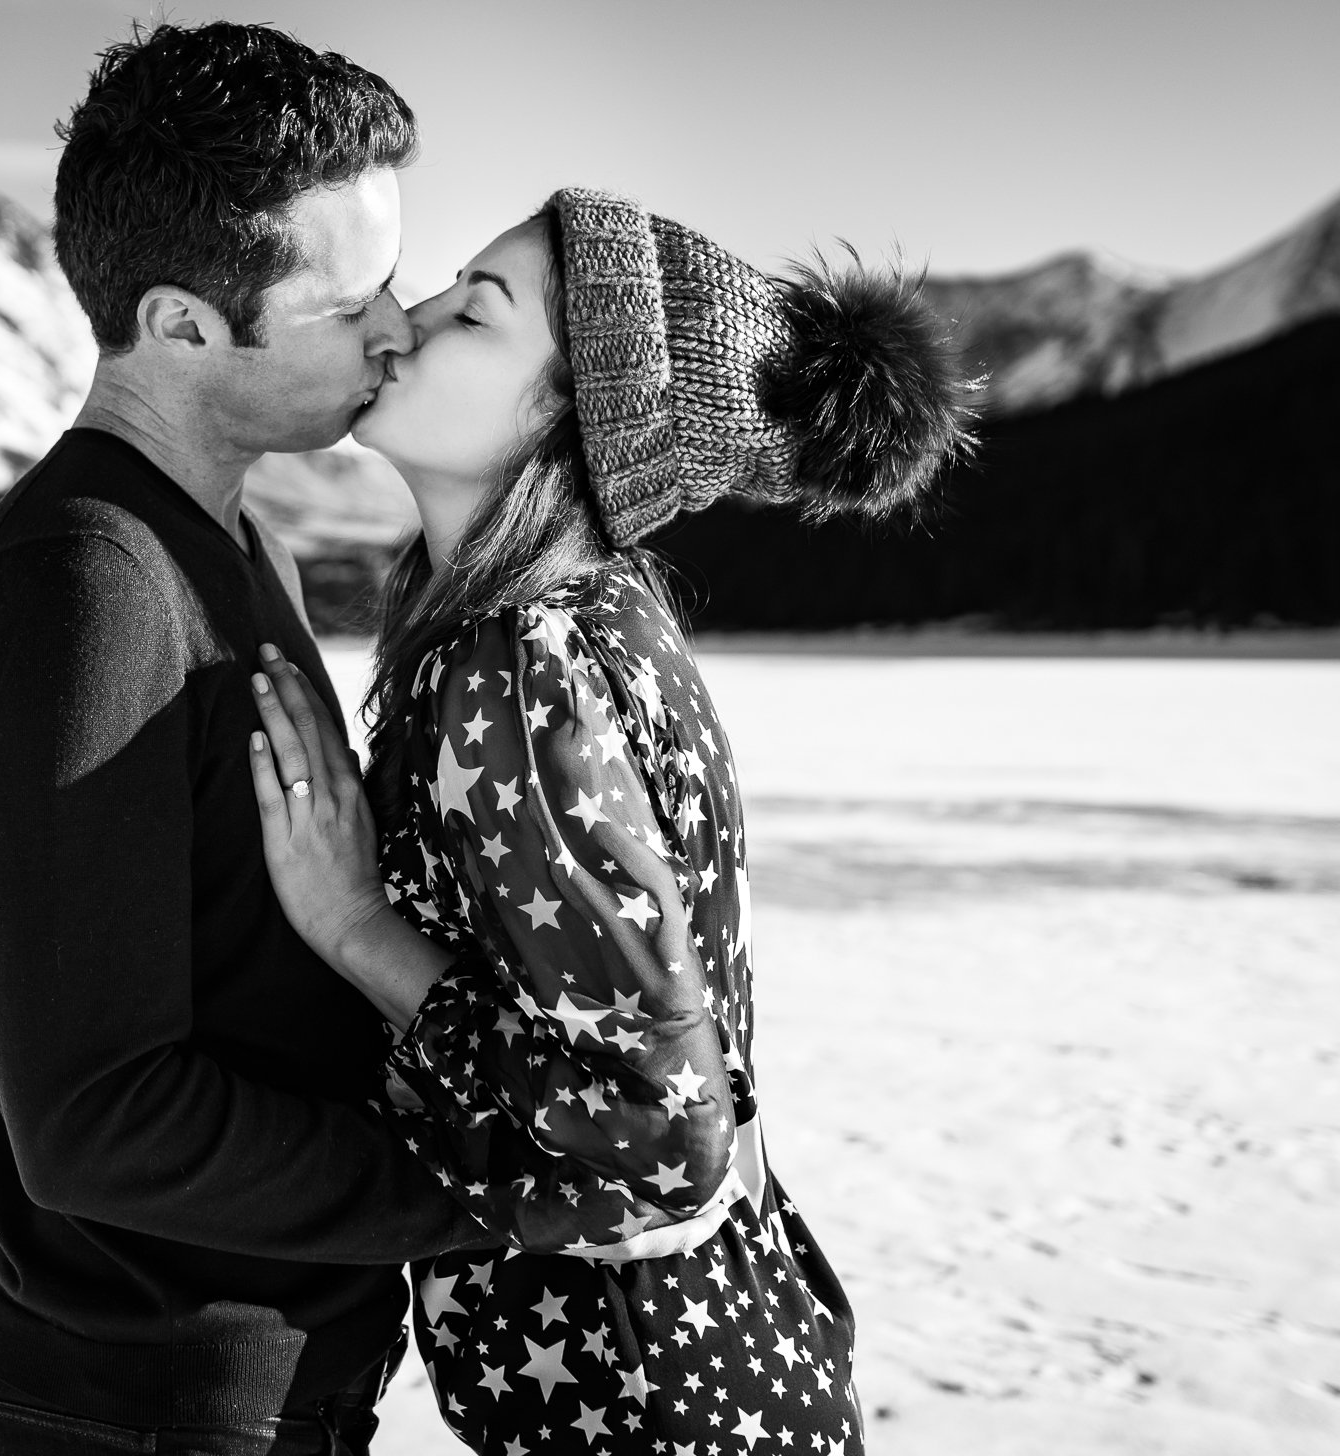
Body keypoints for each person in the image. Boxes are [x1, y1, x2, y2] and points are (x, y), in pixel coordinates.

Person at [243, 189, 976, 1454]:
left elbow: (657, 1133)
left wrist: (361, 928)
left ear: (578, 422)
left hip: (656, 1408)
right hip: (710, 1375)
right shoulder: (587, 622)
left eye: (477, 312)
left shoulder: (525, 663)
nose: (404, 324)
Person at [0, 22, 493, 1455]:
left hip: (258, 1395)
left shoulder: (233, 547)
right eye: (349, 300)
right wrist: (475, 1179)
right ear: (182, 323)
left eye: (399, 283)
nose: (398, 329)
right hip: (150, 1411)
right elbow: (99, 1118)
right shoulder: (90, 581)